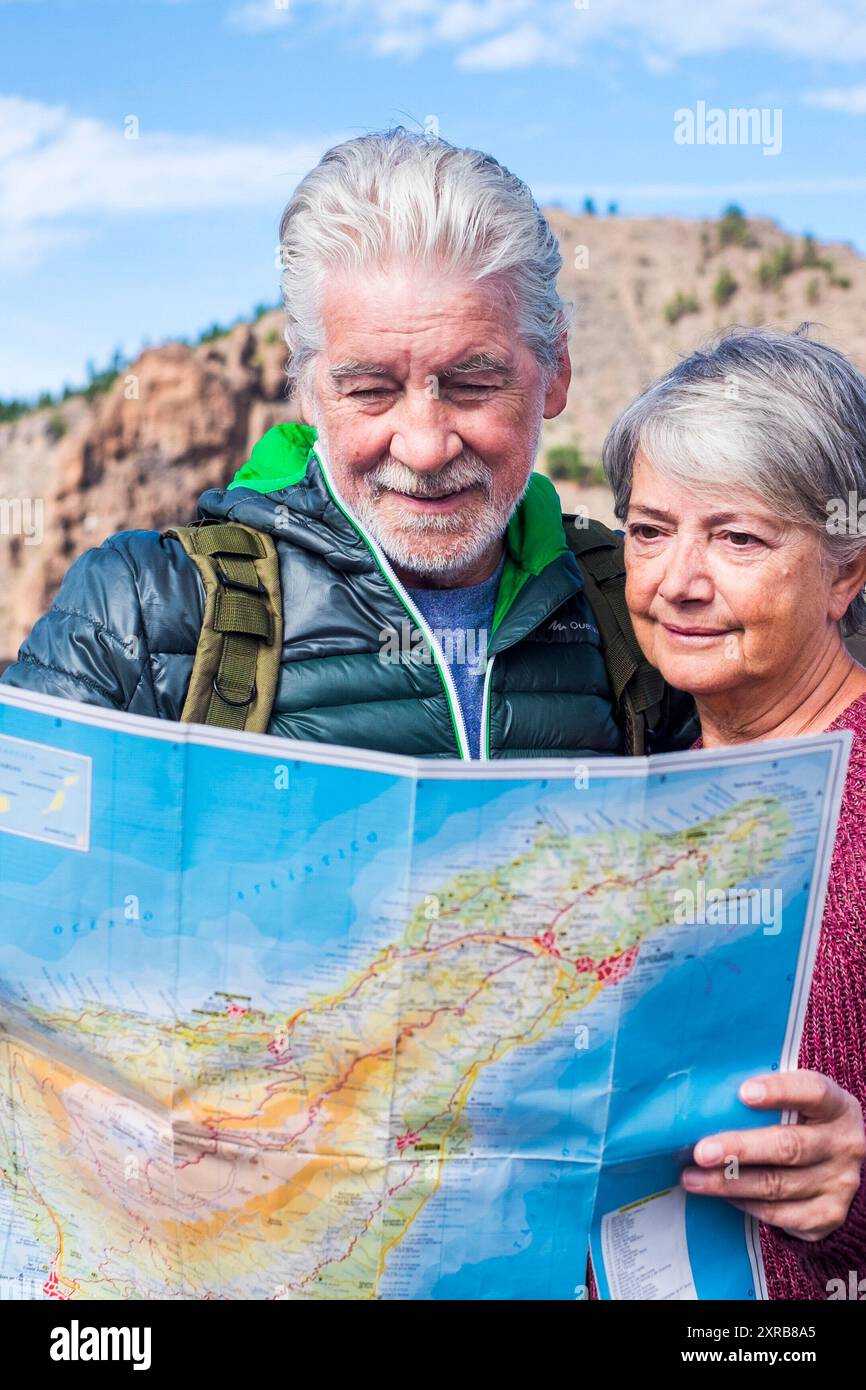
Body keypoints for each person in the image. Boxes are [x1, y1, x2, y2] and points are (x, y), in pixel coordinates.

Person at [1, 128, 693, 760]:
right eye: (370, 391)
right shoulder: (136, 613)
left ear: (557, 372)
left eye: (473, 384)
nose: (424, 448)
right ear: (304, 386)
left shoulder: (638, 607)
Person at [601, 324, 866, 1299]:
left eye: (737, 537)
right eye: (648, 529)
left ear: (844, 569)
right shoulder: (630, 802)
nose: (677, 580)